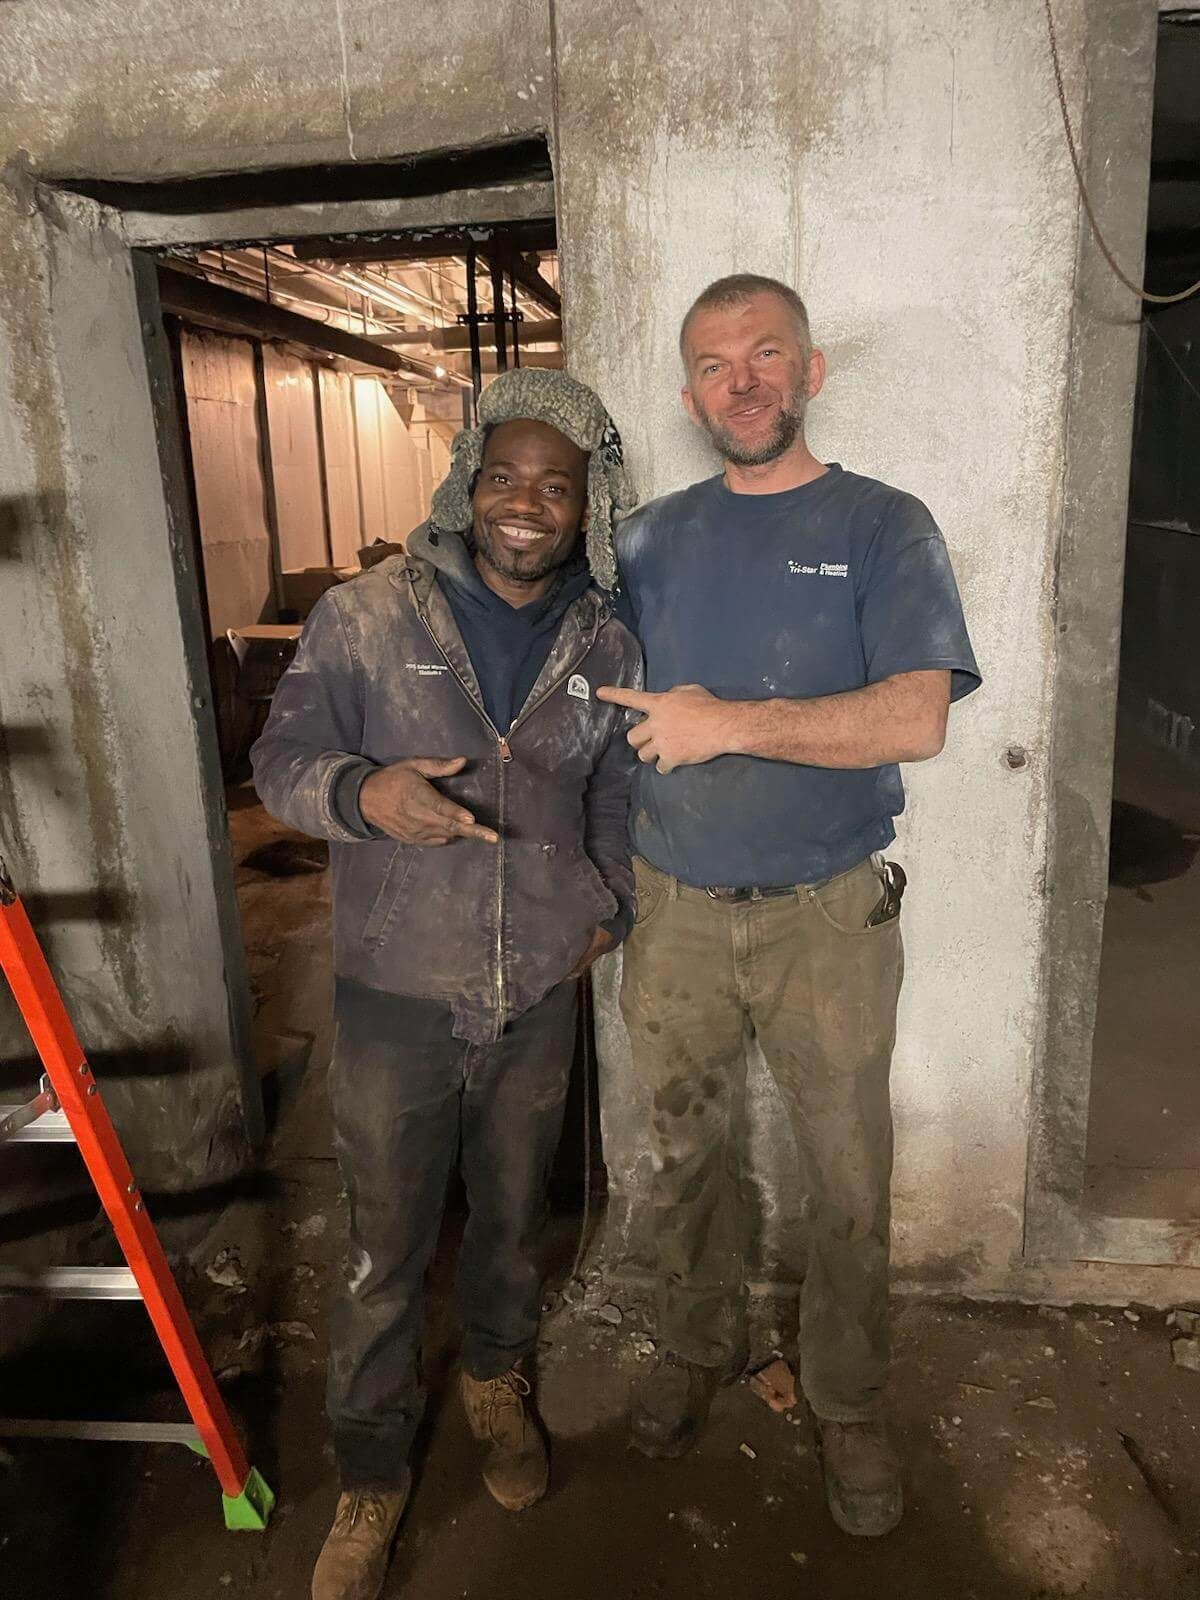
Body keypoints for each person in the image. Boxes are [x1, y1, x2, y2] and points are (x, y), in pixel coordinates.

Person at [598, 273, 980, 1539]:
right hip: (677, 913)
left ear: (810, 371)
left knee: (848, 1172)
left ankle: (850, 1397)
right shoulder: (647, 539)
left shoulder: (884, 524)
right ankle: (697, 1344)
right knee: (682, 1154)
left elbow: (915, 715)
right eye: (713, 364)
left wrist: (728, 725)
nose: (741, 381)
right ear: (693, 391)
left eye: (766, 354)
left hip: (827, 914)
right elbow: (589, 698)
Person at [252, 368, 641, 1600]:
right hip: (392, 995)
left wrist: (607, 906)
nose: (527, 503)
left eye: (557, 485)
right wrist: (364, 794)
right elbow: (278, 761)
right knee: (381, 1247)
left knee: (513, 1222)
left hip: (536, 991)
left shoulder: (609, 635)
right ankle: (371, 1471)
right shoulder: (366, 616)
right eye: (506, 477)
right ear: (467, 483)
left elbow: (619, 791)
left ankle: (493, 1383)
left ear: (589, 505)